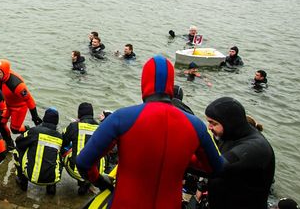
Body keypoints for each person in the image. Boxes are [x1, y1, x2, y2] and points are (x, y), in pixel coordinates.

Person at [76, 56, 225, 208]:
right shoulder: (196, 125)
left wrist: (101, 181)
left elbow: (83, 162)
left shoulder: (122, 118)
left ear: (143, 83)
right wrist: (185, 158)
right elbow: (218, 168)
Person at [204, 97, 276, 209]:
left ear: (229, 122)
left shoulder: (255, 147)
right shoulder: (227, 135)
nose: (209, 127)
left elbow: (217, 166)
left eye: (213, 123)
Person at [0, 59, 41, 149]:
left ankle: (27, 130)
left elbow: (29, 100)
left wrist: (35, 117)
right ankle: (9, 144)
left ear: (5, 72)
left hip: (19, 107)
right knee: (0, 123)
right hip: (6, 104)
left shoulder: (17, 84)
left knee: (14, 129)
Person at [14, 108, 62, 195]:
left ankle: (22, 181)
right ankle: (51, 187)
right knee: (58, 155)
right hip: (52, 179)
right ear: (56, 122)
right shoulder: (59, 136)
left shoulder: (35, 131)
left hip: (31, 176)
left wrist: (26, 132)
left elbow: (19, 142)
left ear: (44, 118)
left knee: (17, 150)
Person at [62, 102, 99, 195]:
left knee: (65, 151)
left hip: (77, 170)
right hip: (97, 171)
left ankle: (54, 179)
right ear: (92, 114)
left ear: (79, 114)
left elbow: (63, 143)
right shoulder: (101, 127)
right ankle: (88, 182)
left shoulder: (74, 126)